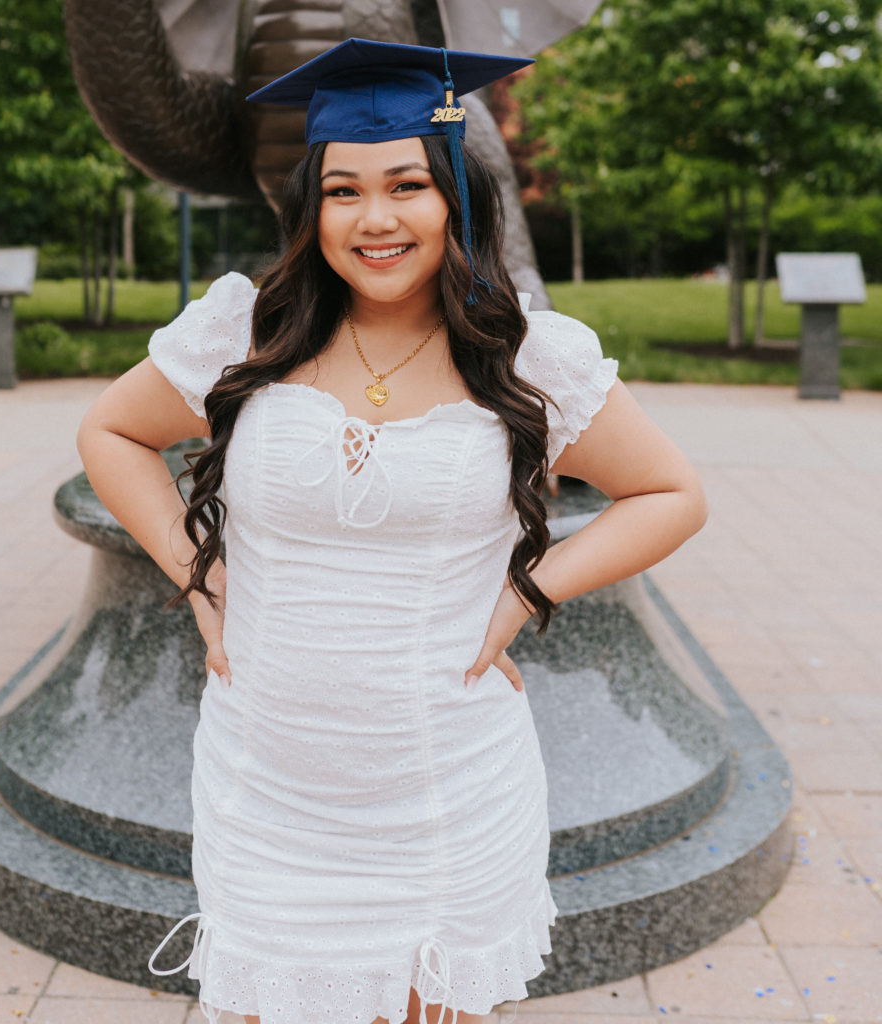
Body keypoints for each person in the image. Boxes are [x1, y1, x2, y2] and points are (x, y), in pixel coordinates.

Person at [77, 37, 707, 1024]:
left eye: (406, 184)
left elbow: (672, 493)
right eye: (343, 191)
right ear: (309, 207)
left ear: (454, 189)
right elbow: (109, 430)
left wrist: (526, 591)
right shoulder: (252, 331)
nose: (375, 219)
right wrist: (195, 573)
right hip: (264, 780)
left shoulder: (526, 352)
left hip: (441, 785)